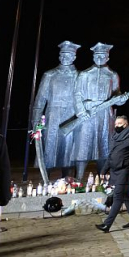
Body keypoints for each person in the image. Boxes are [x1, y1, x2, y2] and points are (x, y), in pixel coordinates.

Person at [73, 42, 128, 183]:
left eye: (103, 55)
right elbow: (77, 94)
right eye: (97, 55)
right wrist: (81, 111)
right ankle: (78, 178)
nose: (99, 57)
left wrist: (122, 99)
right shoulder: (84, 74)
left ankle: (102, 179)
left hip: (105, 115)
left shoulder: (112, 75)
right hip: (88, 113)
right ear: (93, 56)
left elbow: (117, 96)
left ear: (107, 57)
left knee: (104, 146)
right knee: (83, 146)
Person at [31, 40, 81, 178]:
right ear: (59, 56)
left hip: (71, 115)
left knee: (68, 152)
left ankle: (68, 182)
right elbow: (40, 100)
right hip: (52, 116)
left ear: (74, 57)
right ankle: (46, 183)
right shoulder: (50, 75)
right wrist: (35, 122)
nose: (65, 57)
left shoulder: (80, 76)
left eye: (69, 55)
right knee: (49, 150)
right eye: (63, 54)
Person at [95, 115, 129, 232]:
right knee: (126, 196)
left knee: (118, 197)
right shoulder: (115, 137)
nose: (116, 126)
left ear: (125, 124)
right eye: (115, 124)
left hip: (125, 171)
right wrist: (104, 170)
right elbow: (111, 156)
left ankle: (107, 224)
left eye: (119, 124)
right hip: (115, 171)